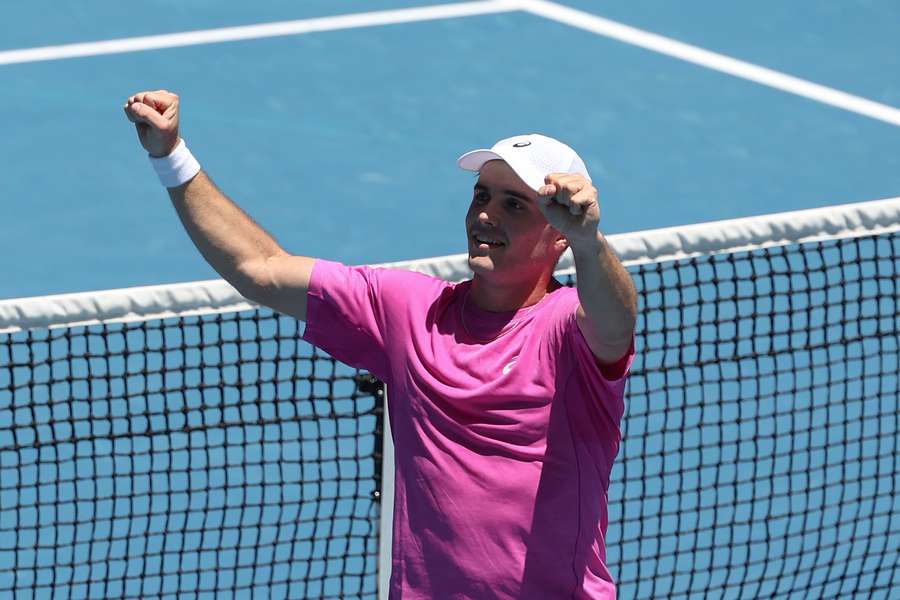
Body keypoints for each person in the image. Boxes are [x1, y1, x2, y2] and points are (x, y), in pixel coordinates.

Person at [124, 89, 638, 599]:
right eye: (481, 195)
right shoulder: (406, 309)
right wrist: (170, 156)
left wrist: (591, 243)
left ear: (560, 235)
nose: (486, 214)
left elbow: (615, 322)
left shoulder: (568, 332)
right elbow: (259, 268)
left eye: (514, 204)